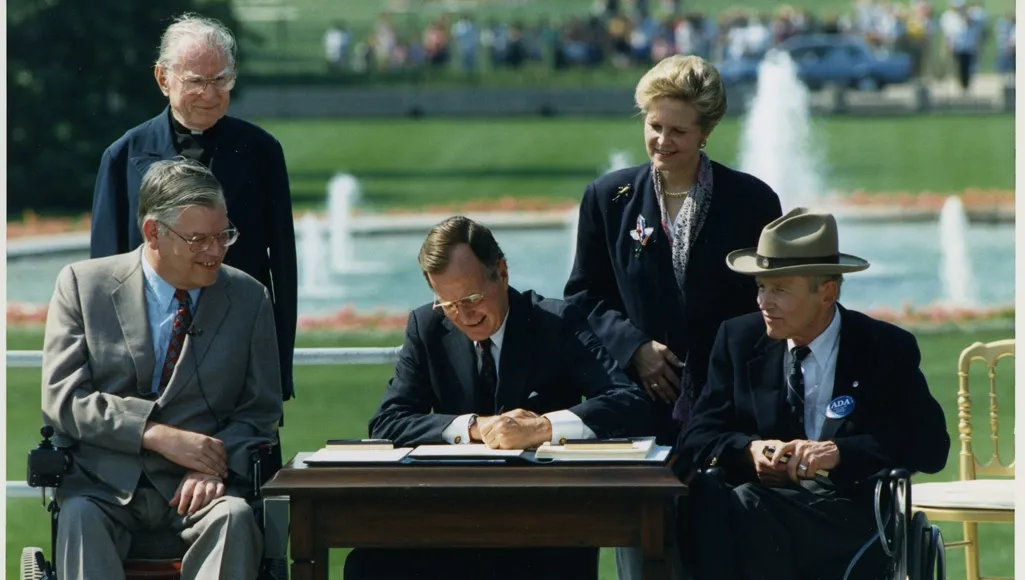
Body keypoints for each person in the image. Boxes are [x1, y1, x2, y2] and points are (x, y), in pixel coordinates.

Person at [345, 215, 650, 580]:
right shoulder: (426, 327)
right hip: (451, 523)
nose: (465, 315)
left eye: (472, 297)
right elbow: (387, 421)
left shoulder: (557, 322)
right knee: (367, 564)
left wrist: (542, 428)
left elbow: (627, 402)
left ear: (502, 272)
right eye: (449, 304)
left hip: (545, 526)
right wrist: (473, 427)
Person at [676, 208, 950, 580]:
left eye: (779, 290)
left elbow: (931, 445)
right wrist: (750, 450)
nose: (763, 302)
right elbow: (697, 436)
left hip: (849, 515)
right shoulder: (738, 340)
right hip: (758, 512)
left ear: (827, 292)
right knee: (714, 497)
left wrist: (838, 453)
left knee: (743, 506)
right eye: (760, 286)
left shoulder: (884, 348)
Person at [42, 158, 283, 580]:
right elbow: (64, 399)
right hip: (103, 485)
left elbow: (259, 411)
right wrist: (154, 435)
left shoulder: (249, 298)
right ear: (154, 232)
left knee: (236, 517)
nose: (215, 251)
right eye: (198, 239)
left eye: (223, 235)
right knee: (78, 516)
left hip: (203, 490)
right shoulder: (83, 286)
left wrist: (212, 465)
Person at [565, 53, 782, 448]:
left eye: (678, 131)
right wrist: (635, 348)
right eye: (654, 126)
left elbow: (768, 298)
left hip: (730, 403)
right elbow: (583, 297)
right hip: (634, 401)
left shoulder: (752, 200)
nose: (662, 142)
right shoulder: (607, 198)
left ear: (706, 132)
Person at [89, 13, 297, 405]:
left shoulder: (263, 151)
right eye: (196, 81)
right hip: (146, 364)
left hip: (238, 357)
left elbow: (283, 267)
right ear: (163, 79)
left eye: (220, 80)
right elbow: (104, 276)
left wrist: (277, 371)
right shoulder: (121, 157)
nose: (210, 93)